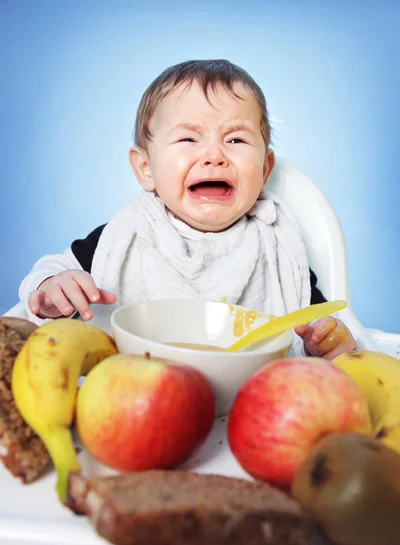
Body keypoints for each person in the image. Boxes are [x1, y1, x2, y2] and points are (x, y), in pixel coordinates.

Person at [19, 59, 356, 360]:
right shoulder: (132, 232)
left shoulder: (276, 242)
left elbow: (315, 316)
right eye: (188, 140)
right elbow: (56, 269)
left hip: (251, 405)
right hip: (132, 397)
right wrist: (53, 287)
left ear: (266, 169)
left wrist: (327, 337)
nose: (214, 155)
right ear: (145, 168)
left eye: (235, 140)